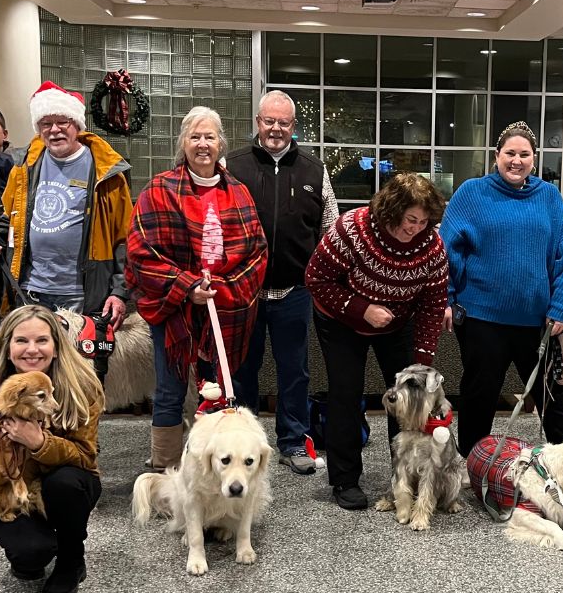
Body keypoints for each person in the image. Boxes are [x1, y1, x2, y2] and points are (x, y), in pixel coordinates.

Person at [127, 106, 268, 471]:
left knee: (222, 390)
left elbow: (256, 251)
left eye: (209, 136)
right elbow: (141, 252)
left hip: (225, 310)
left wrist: (221, 287)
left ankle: (214, 470)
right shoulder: (159, 189)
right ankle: (165, 469)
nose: (203, 144)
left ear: (220, 143)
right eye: (195, 137)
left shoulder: (238, 192)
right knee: (170, 392)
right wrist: (188, 286)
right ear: (183, 143)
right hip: (174, 311)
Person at [306, 172, 448, 510]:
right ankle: (344, 480)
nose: (415, 228)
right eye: (410, 219)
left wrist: (422, 360)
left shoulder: (431, 246)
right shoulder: (351, 229)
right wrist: (362, 309)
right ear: (392, 209)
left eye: (423, 221)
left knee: (407, 397)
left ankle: (402, 478)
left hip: (397, 323)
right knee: (346, 392)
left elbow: (432, 304)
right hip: (340, 319)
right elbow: (315, 278)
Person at [0, 305, 104, 593]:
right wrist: (4, 464)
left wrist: (38, 443)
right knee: (31, 556)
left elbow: (86, 457)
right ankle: (34, 549)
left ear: (56, 347)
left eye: (42, 340)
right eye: (21, 341)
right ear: (7, 348)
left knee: (66, 483)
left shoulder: (81, 387)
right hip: (8, 491)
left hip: (66, 484)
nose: (32, 350)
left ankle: (71, 559)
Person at [441, 121, 563, 458]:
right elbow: (446, 251)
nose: (516, 160)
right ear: (496, 156)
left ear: (534, 158)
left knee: (552, 394)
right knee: (479, 394)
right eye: (510, 153)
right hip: (481, 319)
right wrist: (445, 299)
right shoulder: (471, 193)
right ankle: (473, 464)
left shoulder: (548, 197)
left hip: (537, 321)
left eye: (524, 154)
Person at [229, 90, 339, 476]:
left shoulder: (314, 169)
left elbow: (330, 230)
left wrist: (325, 282)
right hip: (244, 291)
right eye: (269, 121)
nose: (276, 129)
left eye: (284, 123)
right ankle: (243, 443)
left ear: (294, 126)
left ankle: (293, 441)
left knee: (295, 371)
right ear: (257, 122)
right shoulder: (232, 166)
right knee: (244, 371)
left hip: (295, 290)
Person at [0, 83, 132, 327]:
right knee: (32, 361)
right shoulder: (23, 166)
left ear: (77, 125)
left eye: (63, 122)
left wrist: (119, 291)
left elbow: (125, 239)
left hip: (81, 295)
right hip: (29, 290)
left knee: (78, 364)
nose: (54, 130)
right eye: (46, 124)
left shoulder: (108, 172)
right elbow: (10, 216)